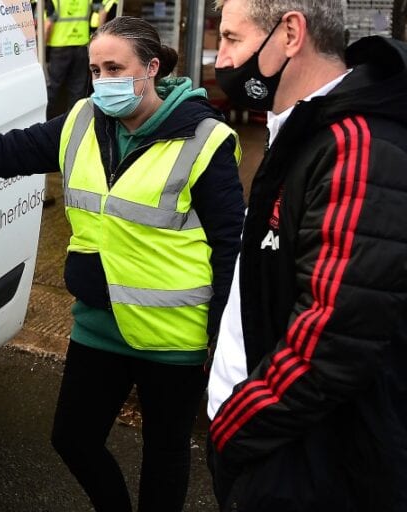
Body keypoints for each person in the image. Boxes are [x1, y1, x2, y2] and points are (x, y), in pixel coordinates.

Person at [0, 16, 244, 511]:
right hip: (99, 323)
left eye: (115, 68)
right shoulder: (81, 121)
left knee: (165, 455)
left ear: (151, 68)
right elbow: (4, 153)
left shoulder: (204, 139)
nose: (103, 81)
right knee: (72, 439)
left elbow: (231, 245)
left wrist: (222, 341)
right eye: (97, 70)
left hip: (173, 333)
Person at [206, 0, 407, 510]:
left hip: (300, 465)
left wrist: (232, 430)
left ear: (290, 33)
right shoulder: (302, 130)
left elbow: (331, 343)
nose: (221, 62)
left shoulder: (356, 146)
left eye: (232, 39)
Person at [44, 0, 92, 118]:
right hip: (81, 45)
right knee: (77, 90)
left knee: (52, 89)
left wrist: (42, 48)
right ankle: (74, 123)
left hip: (60, 47)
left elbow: (48, 25)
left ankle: (49, 123)